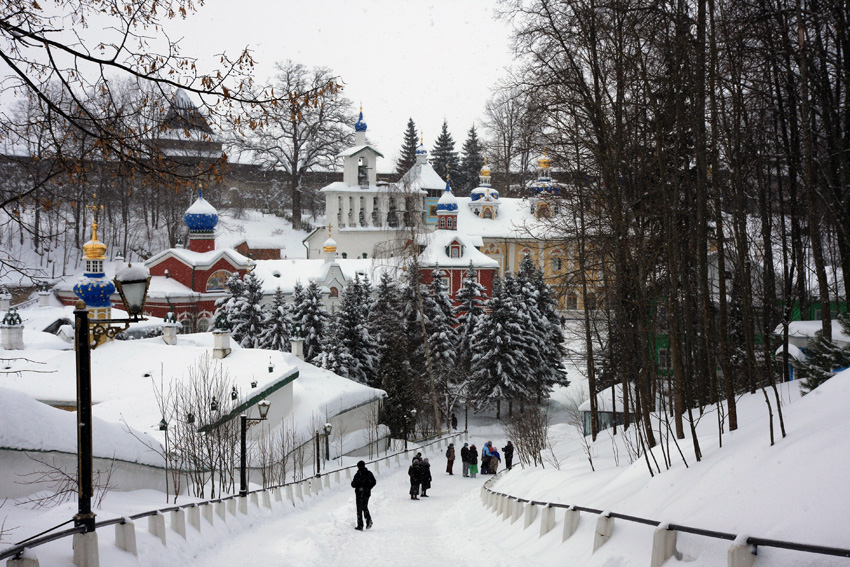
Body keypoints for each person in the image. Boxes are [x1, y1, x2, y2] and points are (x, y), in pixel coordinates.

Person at [351, 460, 376, 530]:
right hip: (367, 493)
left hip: (359, 494)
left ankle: (360, 525)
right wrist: (368, 488)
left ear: (358, 467)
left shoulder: (358, 475)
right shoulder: (369, 473)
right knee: (364, 507)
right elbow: (374, 482)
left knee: (359, 509)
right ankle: (368, 520)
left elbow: (353, 484)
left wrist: (358, 486)